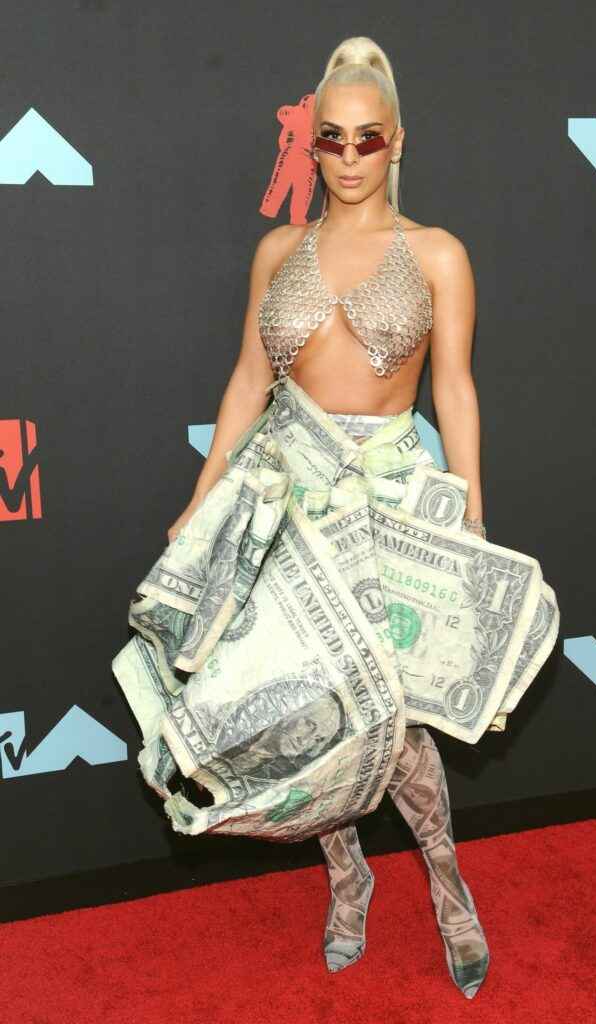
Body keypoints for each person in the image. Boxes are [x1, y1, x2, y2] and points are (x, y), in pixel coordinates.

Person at [114, 34, 557, 1002]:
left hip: (389, 498)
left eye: (368, 138)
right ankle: (348, 876)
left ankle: (444, 878)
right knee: (314, 712)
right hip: (284, 494)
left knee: (394, 723)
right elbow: (247, 381)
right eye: (331, 138)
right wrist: (200, 498)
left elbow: (456, 390)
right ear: (310, 145)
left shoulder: (436, 254)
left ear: (397, 141)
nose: (349, 156)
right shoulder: (279, 251)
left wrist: (472, 520)